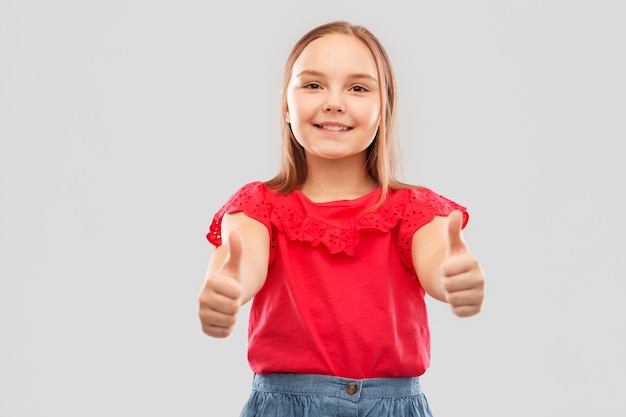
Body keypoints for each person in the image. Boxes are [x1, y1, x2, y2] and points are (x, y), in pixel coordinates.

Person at [198, 20, 485, 417]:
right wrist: (227, 284)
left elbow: (436, 255)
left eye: (358, 87)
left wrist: (451, 273)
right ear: (285, 103)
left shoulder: (414, 208)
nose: (334, 101)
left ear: (385, 107)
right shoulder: (259, 204)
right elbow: (240, 256)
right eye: (313, 85)